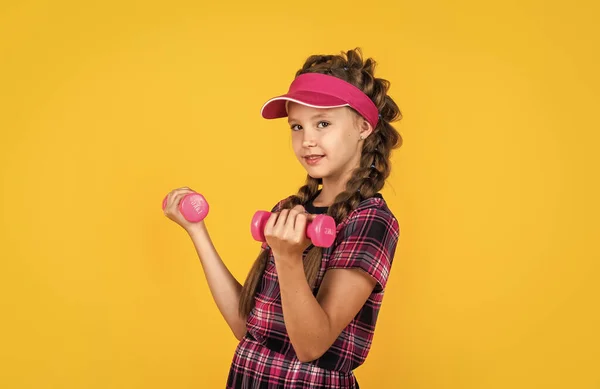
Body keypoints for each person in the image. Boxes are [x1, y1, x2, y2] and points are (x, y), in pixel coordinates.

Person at [163, 48, 402, 389]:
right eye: (296, 126)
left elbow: (311, 346)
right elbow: (247, 328)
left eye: (323, 123)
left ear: (363, 127)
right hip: (249, 378)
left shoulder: (371, 220)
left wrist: (289, 258)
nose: (307, 140)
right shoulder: (290, 210)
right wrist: (196, 231)